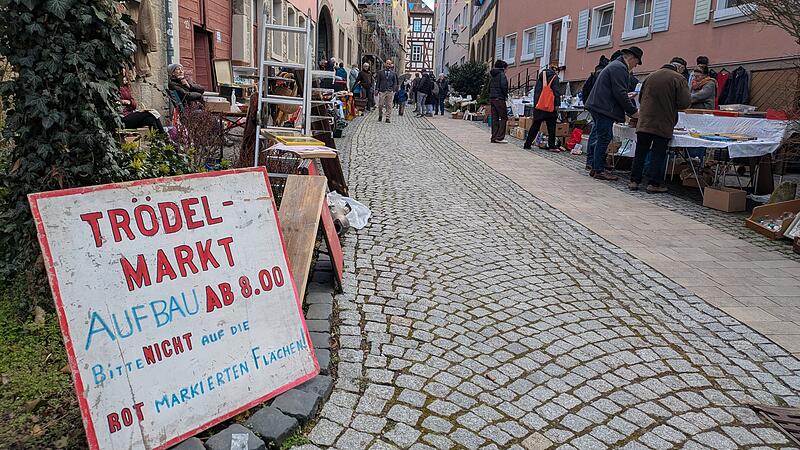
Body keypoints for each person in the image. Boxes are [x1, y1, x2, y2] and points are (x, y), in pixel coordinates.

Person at [629, 58, 691, 193]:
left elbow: (640, 98)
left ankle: (634, 181)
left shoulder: (650, 76)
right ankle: (654, 183)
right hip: (663, 121)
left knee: (641, 151)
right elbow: (685, 102)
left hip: (645, 121)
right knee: (658, 153)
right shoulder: (678, 78)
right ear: (679, 68)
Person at [585, 46, 642, 180]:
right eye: (636, 63)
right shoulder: (619, 68)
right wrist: (633, 112)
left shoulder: (616, 65)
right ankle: (598, 169)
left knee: (601, 136)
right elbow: (619, 93)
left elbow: (617, 91)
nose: (635, 66)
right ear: (632, 58)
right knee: (604, 137)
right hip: (604, 108)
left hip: (600, 106)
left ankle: (595, 166)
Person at [523, 64, 561, 151]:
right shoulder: (554, 78)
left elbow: (537, 92)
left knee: (535, 125)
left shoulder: (541, 77)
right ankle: (552, 146)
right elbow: (556, 92)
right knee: (551, 127)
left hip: (539, 105)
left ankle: (527, 144)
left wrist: (537, 103)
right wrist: (557, 104)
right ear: (555, 71)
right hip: (549, 106)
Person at [120, 68, 165, 133]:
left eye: (124, 76)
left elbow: (134, 105)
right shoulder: (114, 88)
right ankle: (164, 137)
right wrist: (122, 102)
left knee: (150, 119)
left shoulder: (126, 88)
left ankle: (159, 140)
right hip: (121, 118)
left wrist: (129, 102)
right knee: (149, 113)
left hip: (129, 114)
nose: (124, 79)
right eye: (122, 76)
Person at [489, 60, 510, 144]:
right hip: (500, 99)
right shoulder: (502, 75)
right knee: (504, 117)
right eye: (506, 68)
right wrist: (506, 95)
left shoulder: (493, 75)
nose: (507, 70)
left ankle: (494, 137)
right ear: (503, 68)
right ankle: (500, 137)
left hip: (493, 98)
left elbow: (488, 87)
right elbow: (504, 86)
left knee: (495, 118)